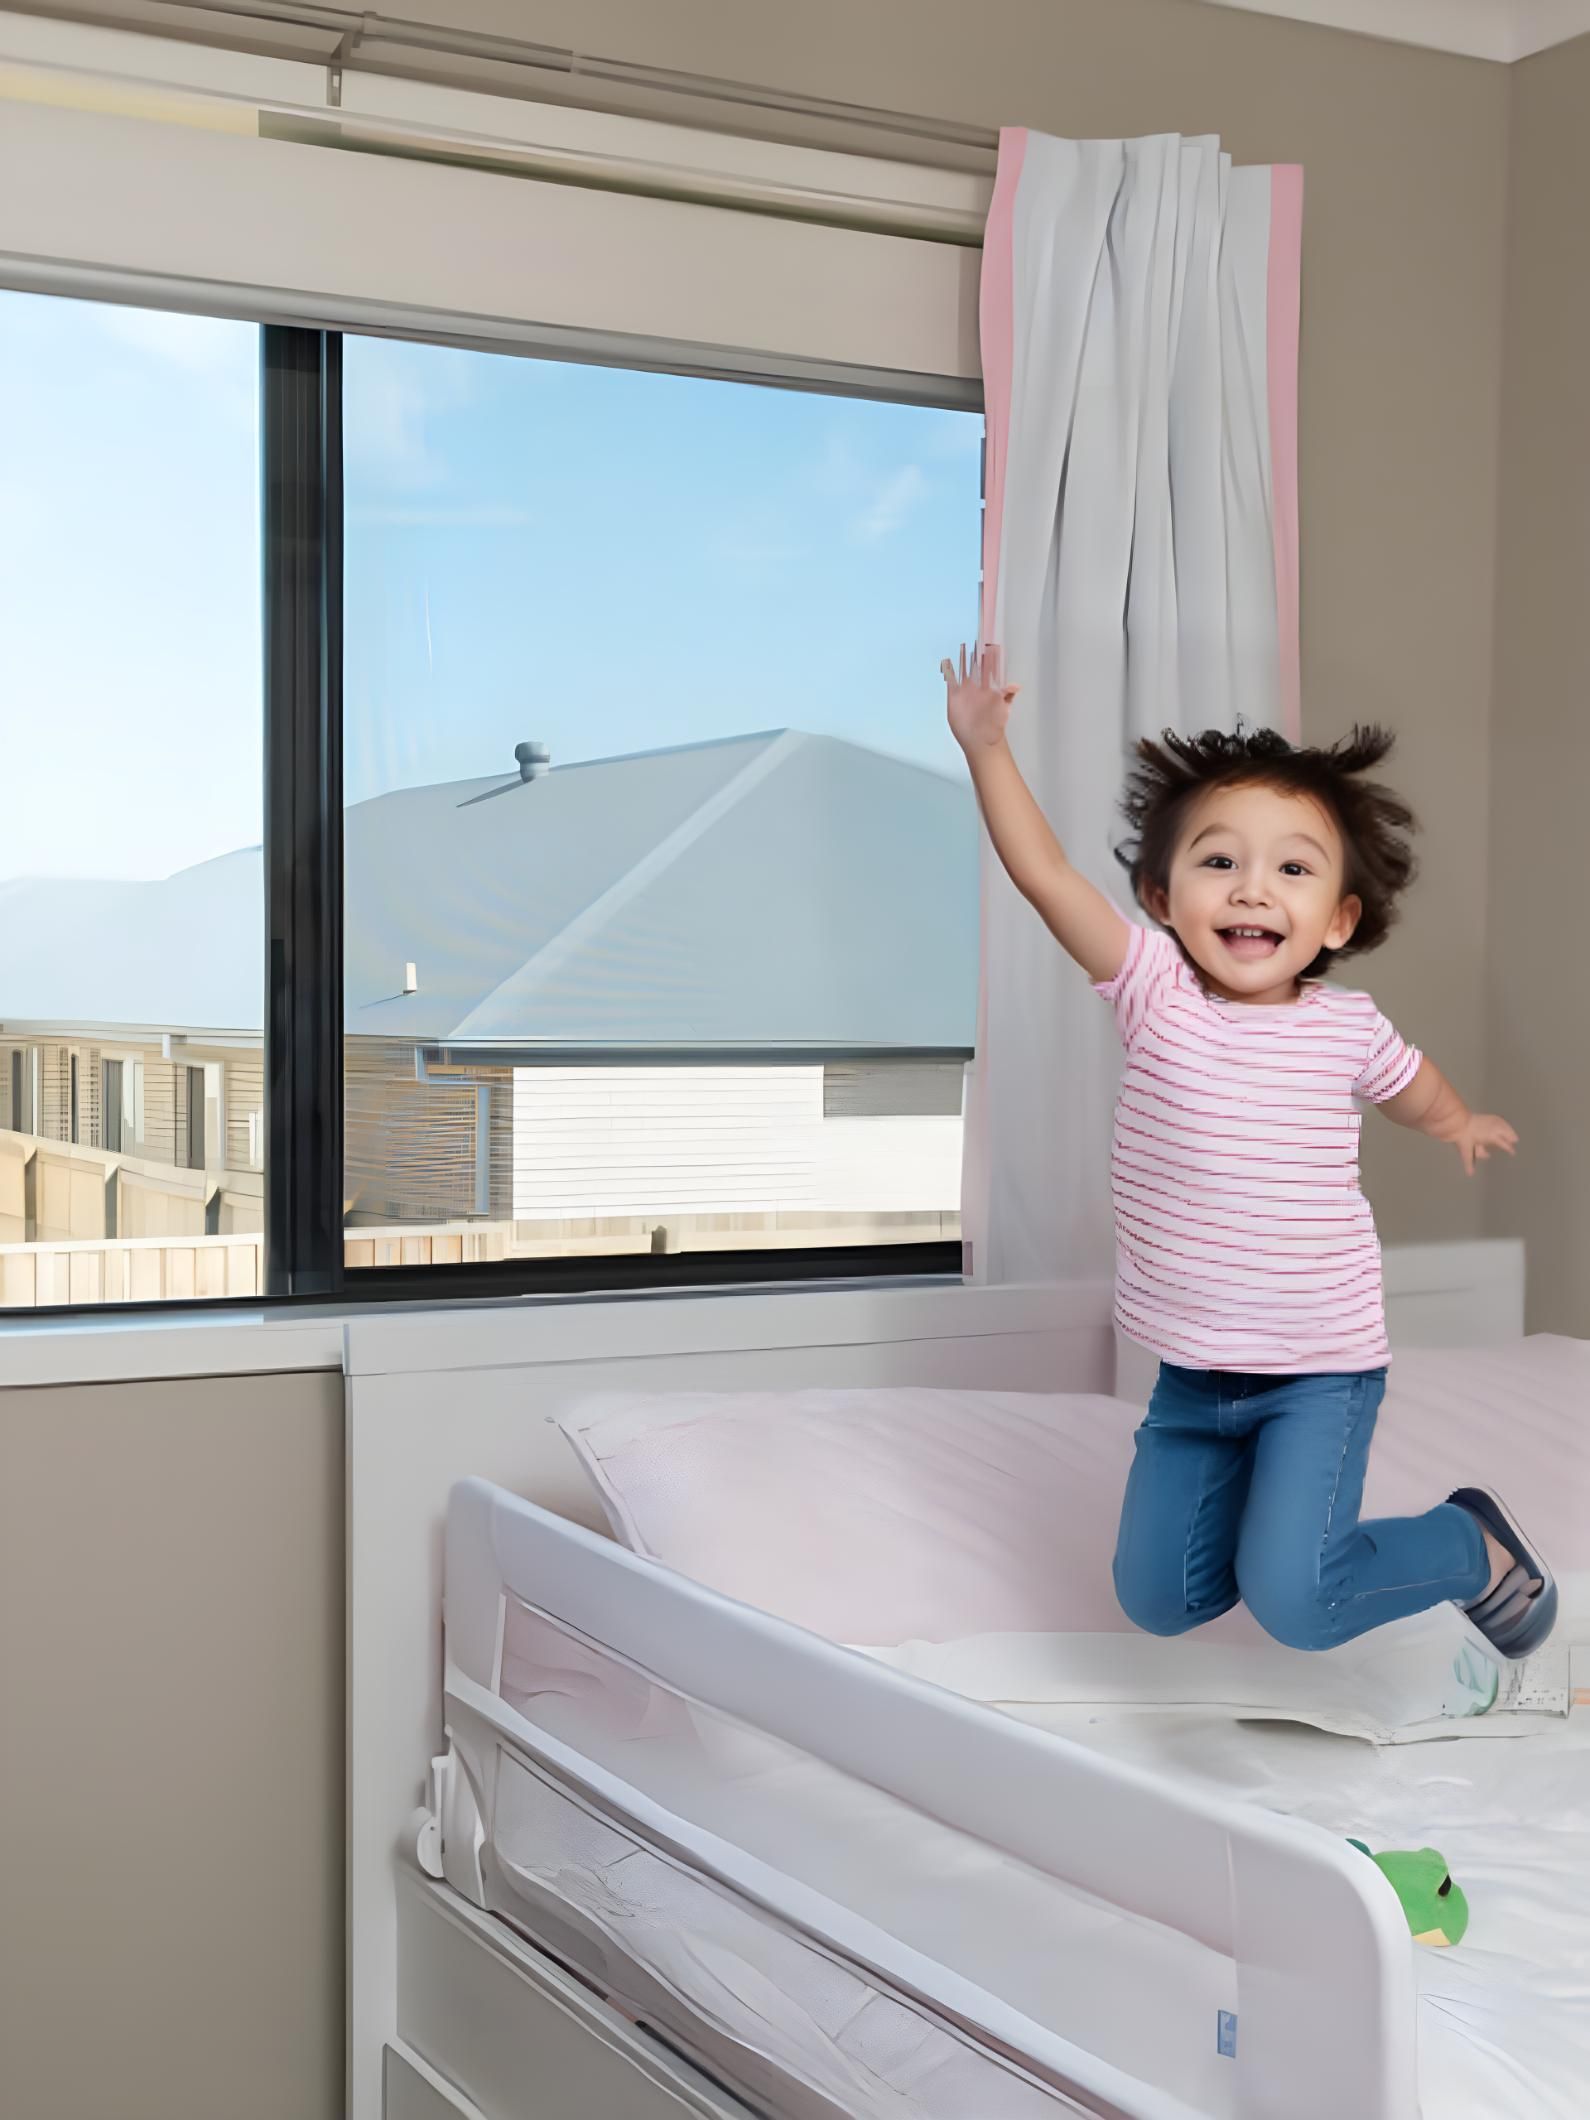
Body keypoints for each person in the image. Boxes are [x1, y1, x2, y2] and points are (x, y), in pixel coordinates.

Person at [943, 643, 1555, 1661]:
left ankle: (1467, 1543)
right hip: (1192, 1375)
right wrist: (987, 749)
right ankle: (1276, 1528)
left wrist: (1455, 1121)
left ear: (1338, 917)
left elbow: (1414, 1086)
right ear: (1159, 895)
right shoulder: (1154, 992)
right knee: (1160, 1599)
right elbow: (1045, 875)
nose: (1251, 889)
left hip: (1320, 1368)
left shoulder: (1347, 1026)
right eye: (1218, 861)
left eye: (1293, 868)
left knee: (1300, 1602)